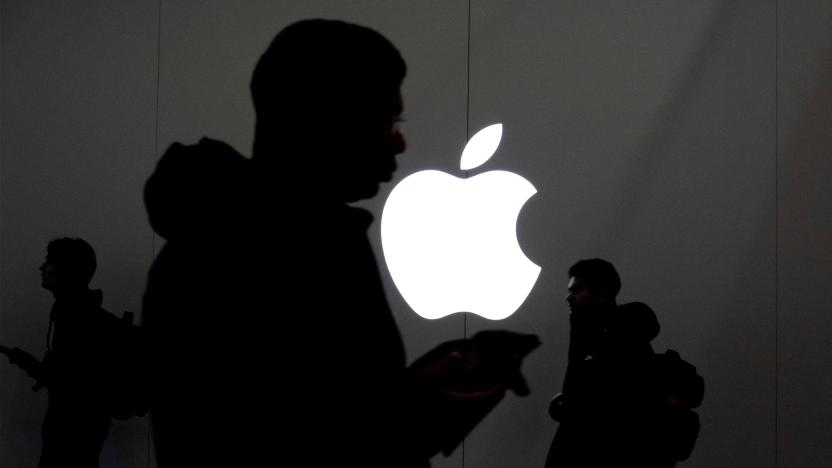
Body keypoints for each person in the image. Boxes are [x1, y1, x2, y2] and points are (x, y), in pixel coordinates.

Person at [142, 19, 536, 468]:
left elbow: (322, 410)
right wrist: (421, 419)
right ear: (329, 119)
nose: (401, 140)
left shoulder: (240, 233)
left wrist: (420, 388)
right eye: (388, 119)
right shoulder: (282, 248)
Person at [544, 258, 678, 468]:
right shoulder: (594, 335)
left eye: (577, 290)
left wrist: (568, 405)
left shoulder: (619, 339)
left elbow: (598, 404)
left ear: (602, 292)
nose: (569, 297)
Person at [0, 238, 117, 468]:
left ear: (67, 271)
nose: (42, 268)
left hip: (72, 431)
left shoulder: (74, 317)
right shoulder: (80, 312)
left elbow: (70, 382)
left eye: (49, 262)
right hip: (82, 429)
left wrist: (31, 365)